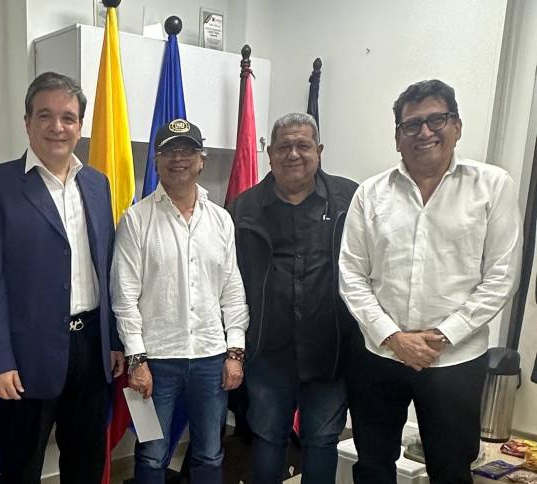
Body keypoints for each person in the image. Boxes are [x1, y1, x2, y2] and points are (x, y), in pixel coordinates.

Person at [339, 79, 522, 484]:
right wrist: (394, 337)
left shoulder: (492, 187)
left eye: (436, 120)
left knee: (450, 469)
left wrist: (443, 335)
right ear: (398, 137)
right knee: (372, 464)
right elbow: (351, 275)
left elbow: (501, 276)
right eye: (412, 125)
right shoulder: (371, 193)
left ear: (457, 126)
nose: (424, 132)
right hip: (379, 355)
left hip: (455, 359)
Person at [0, 71, 123, 483]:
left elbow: (106, 266)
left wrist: (113, 340)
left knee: (87, 464)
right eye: (45, 115)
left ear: (80, 125)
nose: (58, 126)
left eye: (68, 117)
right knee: (22, 467)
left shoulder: (97, 184)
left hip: (91, 349)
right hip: (26, 356)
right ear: (27, 122)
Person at [111, 119, 249, 483]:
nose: (178, 158)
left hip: (211, 360)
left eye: (187, 150)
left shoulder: (221, 220)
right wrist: (137, 360)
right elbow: (124, 298)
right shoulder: (135, 220)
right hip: (154, 362)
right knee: (151, 453)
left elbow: (233, 291)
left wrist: (235, 352)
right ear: (156, 161)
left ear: (201, 159)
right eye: (169, 151)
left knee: (210, 452)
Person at [228, 112, 358, 483]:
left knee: (322, 439)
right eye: (284, 146)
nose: (294, 154)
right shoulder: (243, 208)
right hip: (268, 351)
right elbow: (229, 279)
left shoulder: (349, 200)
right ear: (270, 153)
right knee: (267, 436)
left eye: (303, 145)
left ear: (319, 150)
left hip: (329, 350)